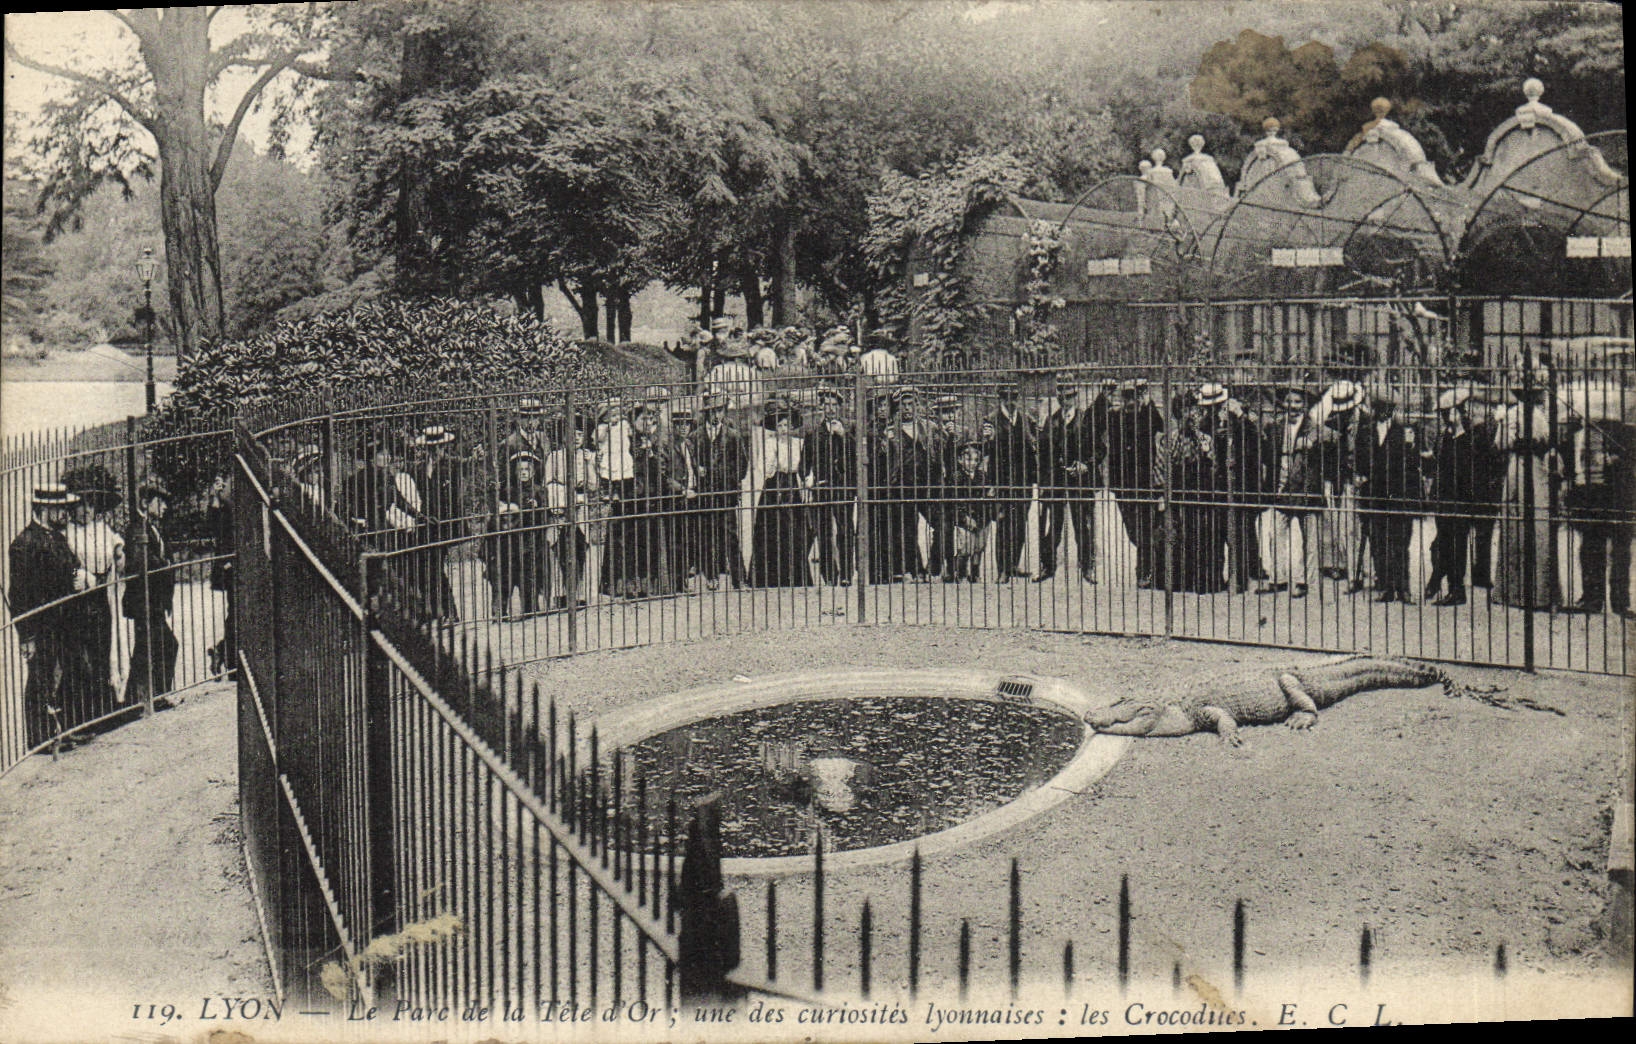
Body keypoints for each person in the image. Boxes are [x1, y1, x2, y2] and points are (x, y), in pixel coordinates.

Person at [9, 485, 85, 748]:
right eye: (60, 509)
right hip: (41, 624)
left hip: (65, 621)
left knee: (69, 674)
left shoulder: (57, 537)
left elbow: (72, 566)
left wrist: (78, 577)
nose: (65, 513)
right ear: (44, 509)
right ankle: (41, 739)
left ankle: (67, 729)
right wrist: (26, 636)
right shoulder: (24, 544)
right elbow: (18, 595)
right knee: (41, 680)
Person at [1490, 359, 1561, 609]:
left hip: (1518, 468)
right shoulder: (1540, 414)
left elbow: (1500, 445)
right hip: (1535, 469)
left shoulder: (1512, 413)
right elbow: (1548, 440)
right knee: (1536, 525)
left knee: (1517, 524)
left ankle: (1515, 591)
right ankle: (1538, 593)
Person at [1424, 386, 1500, 606]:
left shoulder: (1473, 437)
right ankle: (1440, 579)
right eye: (1444, 413)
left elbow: (1483, 466)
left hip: (1463, 498)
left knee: (1457, 545)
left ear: (1460, 411)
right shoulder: (1445, 437)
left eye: (1449, 412)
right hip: (1445, 497)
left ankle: (1455, 590)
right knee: (1441, 543)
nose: (1446, 417)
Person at [1563, 396, 1634, 617]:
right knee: (1592, 546)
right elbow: (1575, 464)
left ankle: (1619, 602)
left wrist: (1615, 460)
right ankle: (1594, 598)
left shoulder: (1623, 432)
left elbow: (1630, 459)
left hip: (1616, 495)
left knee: (1618, 547)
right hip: (1590, 494)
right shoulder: (1579, 433)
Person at [62, 467, 125, 717]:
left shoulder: (102, 529)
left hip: (102, 597)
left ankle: (106, 707)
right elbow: (65, 563)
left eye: (90, 505)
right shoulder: (67, 533)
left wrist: (120, 552)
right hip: (80, 598)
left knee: (103, 650)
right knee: (83, 657)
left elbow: (117, 541)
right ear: (72, 507)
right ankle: (86, 713)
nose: (86, 510)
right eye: (81, 505)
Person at [1355, 383, 1423, 604]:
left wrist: (1411, 446)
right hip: (1375, 493)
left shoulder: (1405, 430)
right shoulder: (1365, 431)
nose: (1382, 411)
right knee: (1379, 541)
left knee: (1401, 541)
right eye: (1378, 406)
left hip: (1398, 492)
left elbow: (1413, 464)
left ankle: (1403, 587)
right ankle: (1386, 585)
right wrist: (1361, 476)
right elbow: (1361, 461)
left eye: (1387, 407)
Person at [1157, 387, 1228, 593]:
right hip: (1180, 495)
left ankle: (1207, 582)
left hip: (1203, 494)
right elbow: (1162, 469)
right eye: (1185, 413)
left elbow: (1215, 469)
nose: (1190, 417)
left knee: (1206, 537)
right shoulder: (1170, 440)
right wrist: (1164, 495)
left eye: (1193, 412)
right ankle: (1182, 582)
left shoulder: (1205, 439)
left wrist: (1207, 454)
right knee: (1181, 538)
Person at [1036, 381, 1102, 584]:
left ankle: (1087, 566)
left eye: (1070, 396)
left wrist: (1086, 464)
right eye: (1062, 397)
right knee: (1051, 525)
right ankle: (1048, 565)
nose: (1066, 401)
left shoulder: (1086, 420)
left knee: (1083, 523)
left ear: (1076, 397)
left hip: (1079, 480)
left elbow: (1100, 449)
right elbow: (1043, 451)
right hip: (1056, 480)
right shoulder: (1051, 420)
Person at [1260, 385, 1322, 598]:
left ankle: (1305, 580)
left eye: (1298, 402)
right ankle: (1278, 578)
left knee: (1307, 539)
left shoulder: (1313, 427)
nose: (1293, 406)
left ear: (1305, 405)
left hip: (1306, 488)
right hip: (1282, 487)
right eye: (1289, 402)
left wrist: (1313, 442)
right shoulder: (1276, 427)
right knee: (1275, 533)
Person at [123, 480, 178, 708]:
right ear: (146, 502)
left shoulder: (152, 527)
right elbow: (140, 560)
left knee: (146, 650)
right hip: (143, 600)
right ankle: (153, 697)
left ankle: (134, 701)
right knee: (164, 646)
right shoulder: (137, 527)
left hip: (153, 600)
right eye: (160, 502)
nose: (164, 507)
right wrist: (164, 564)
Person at [1105, 378, 1163, 588]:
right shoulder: (1114, 417)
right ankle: (1149, 565)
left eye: (1134, 396)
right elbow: (1093, 424)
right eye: (1127, 395)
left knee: (1146, 527)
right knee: (1133, 530)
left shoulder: (1147, 415)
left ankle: (1145, 571)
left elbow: (1160, 425)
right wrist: (1106, 396)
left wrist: (1147, 401)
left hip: (1145, 482)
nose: (1131, 400)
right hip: (1122, 483)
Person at [690, 394, 750, 591]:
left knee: (731, 534)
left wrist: (730, 479)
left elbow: (742, 464)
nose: (717, 414)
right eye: (713, 411)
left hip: (726, 492)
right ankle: (711, 575)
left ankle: (738, 579)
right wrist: (699, 471)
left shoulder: (732, 435)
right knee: (708, 533)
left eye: (720, 410)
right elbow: (690, 463)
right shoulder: (695, 436)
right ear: (706, 413)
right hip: (705, 493)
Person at [749, 398, 811, 587]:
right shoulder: (769, 443)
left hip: (791, 485)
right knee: (770, 529)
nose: (783, 429)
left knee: (794, 529)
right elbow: (765, 470)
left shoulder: (798, 443)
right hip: (774, 485)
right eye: (780, 425)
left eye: (786, 425)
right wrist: (774, 460)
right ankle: (768, 577)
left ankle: (795, 576)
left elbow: (801, 466)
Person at [486, 452, 551, 619]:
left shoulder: (539, 490)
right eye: (520, 469)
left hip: (531, 539)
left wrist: (537, 507)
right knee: (506, 573)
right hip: (511, 540)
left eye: (526, 469)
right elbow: (497, 509)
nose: (523, 472)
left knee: (529, 574)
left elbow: (546, 516)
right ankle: (500, 611)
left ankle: (530, 608)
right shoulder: (508, 490)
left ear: (533, 472)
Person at [804, 385, 857, 585]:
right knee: (824, 531)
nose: (830, 409)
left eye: (834, 405)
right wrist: (807, 477)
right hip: (823, 486)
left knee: (845, 530)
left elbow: (858, 456)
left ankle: (846, 574)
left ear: (840, 407)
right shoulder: (813, 432)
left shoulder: (849, 427)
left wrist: (843, 435)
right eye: (826, 404)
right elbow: (805, 462)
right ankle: (829, 575)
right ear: (821, 407)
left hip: (844, 486)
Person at [412, 425, 465, 621]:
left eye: (439, 447)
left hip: (442, 524)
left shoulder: (451, 466)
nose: (436, 451)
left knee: (435, 567)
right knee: (427, 568)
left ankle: (449, 611)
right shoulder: (418, 468)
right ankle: (438, 611)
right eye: (431, 448)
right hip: (425, 524)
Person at [986, 381, 1036, 582]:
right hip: (1002, 480)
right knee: (1004, 522)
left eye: (1014, 397)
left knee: (1020, 522)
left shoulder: (1025, 420)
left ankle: (1014, 563)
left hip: (1023, 479)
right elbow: (984, 451)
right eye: (1006, 397)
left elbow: (1032, 446)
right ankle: (1002, 569)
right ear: (1000, 398)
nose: (1010, 401)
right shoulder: (990, 420)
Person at [944, 439, 994, 582]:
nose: (971, 463)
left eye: (975, 460)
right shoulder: (956, 477)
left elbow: (987, 496)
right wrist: (964, 518)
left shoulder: (982, 476)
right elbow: (955, 500)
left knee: (979, 546)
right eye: (968, 459)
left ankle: (975, 572)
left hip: (981, 517)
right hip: (965, 517)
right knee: (966, 546)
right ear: (960, 460)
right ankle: (959, 571)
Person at [203, 471, 234, 676]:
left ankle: (222, 653)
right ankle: (230, 662)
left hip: (246, 561)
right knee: (236, 613)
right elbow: (213, 527)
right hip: (231, 564)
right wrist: (215, 498)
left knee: (239, 613)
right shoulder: (225, 504)